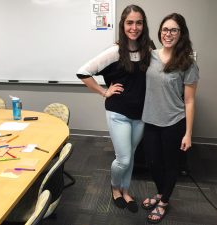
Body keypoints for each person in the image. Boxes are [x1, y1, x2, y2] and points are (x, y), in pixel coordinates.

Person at [77, 5, 155, 213]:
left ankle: (126, 190)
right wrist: (103, 92)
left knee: (131, 154)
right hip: (118, 113)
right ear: (123, 25)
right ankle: (114, 187)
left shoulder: (148, 49)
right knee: (124, 158)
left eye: (139, 22)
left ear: (143, 25)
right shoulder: (114, 52)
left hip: (140, 115)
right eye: (130, 22)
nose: (134, 27)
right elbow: (83, 72)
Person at [141, 13, 199, 223]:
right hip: (150, 120)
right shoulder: (151, 55)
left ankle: (164, 201)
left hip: (173, 122)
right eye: (165, 29)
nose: (168, 34)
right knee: (153, 162)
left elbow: (190, 101)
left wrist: (188, 133)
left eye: (173, 30)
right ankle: (161, 192)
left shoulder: (188, 64)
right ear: (160, 32)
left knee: (171, 164)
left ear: (181, 33)